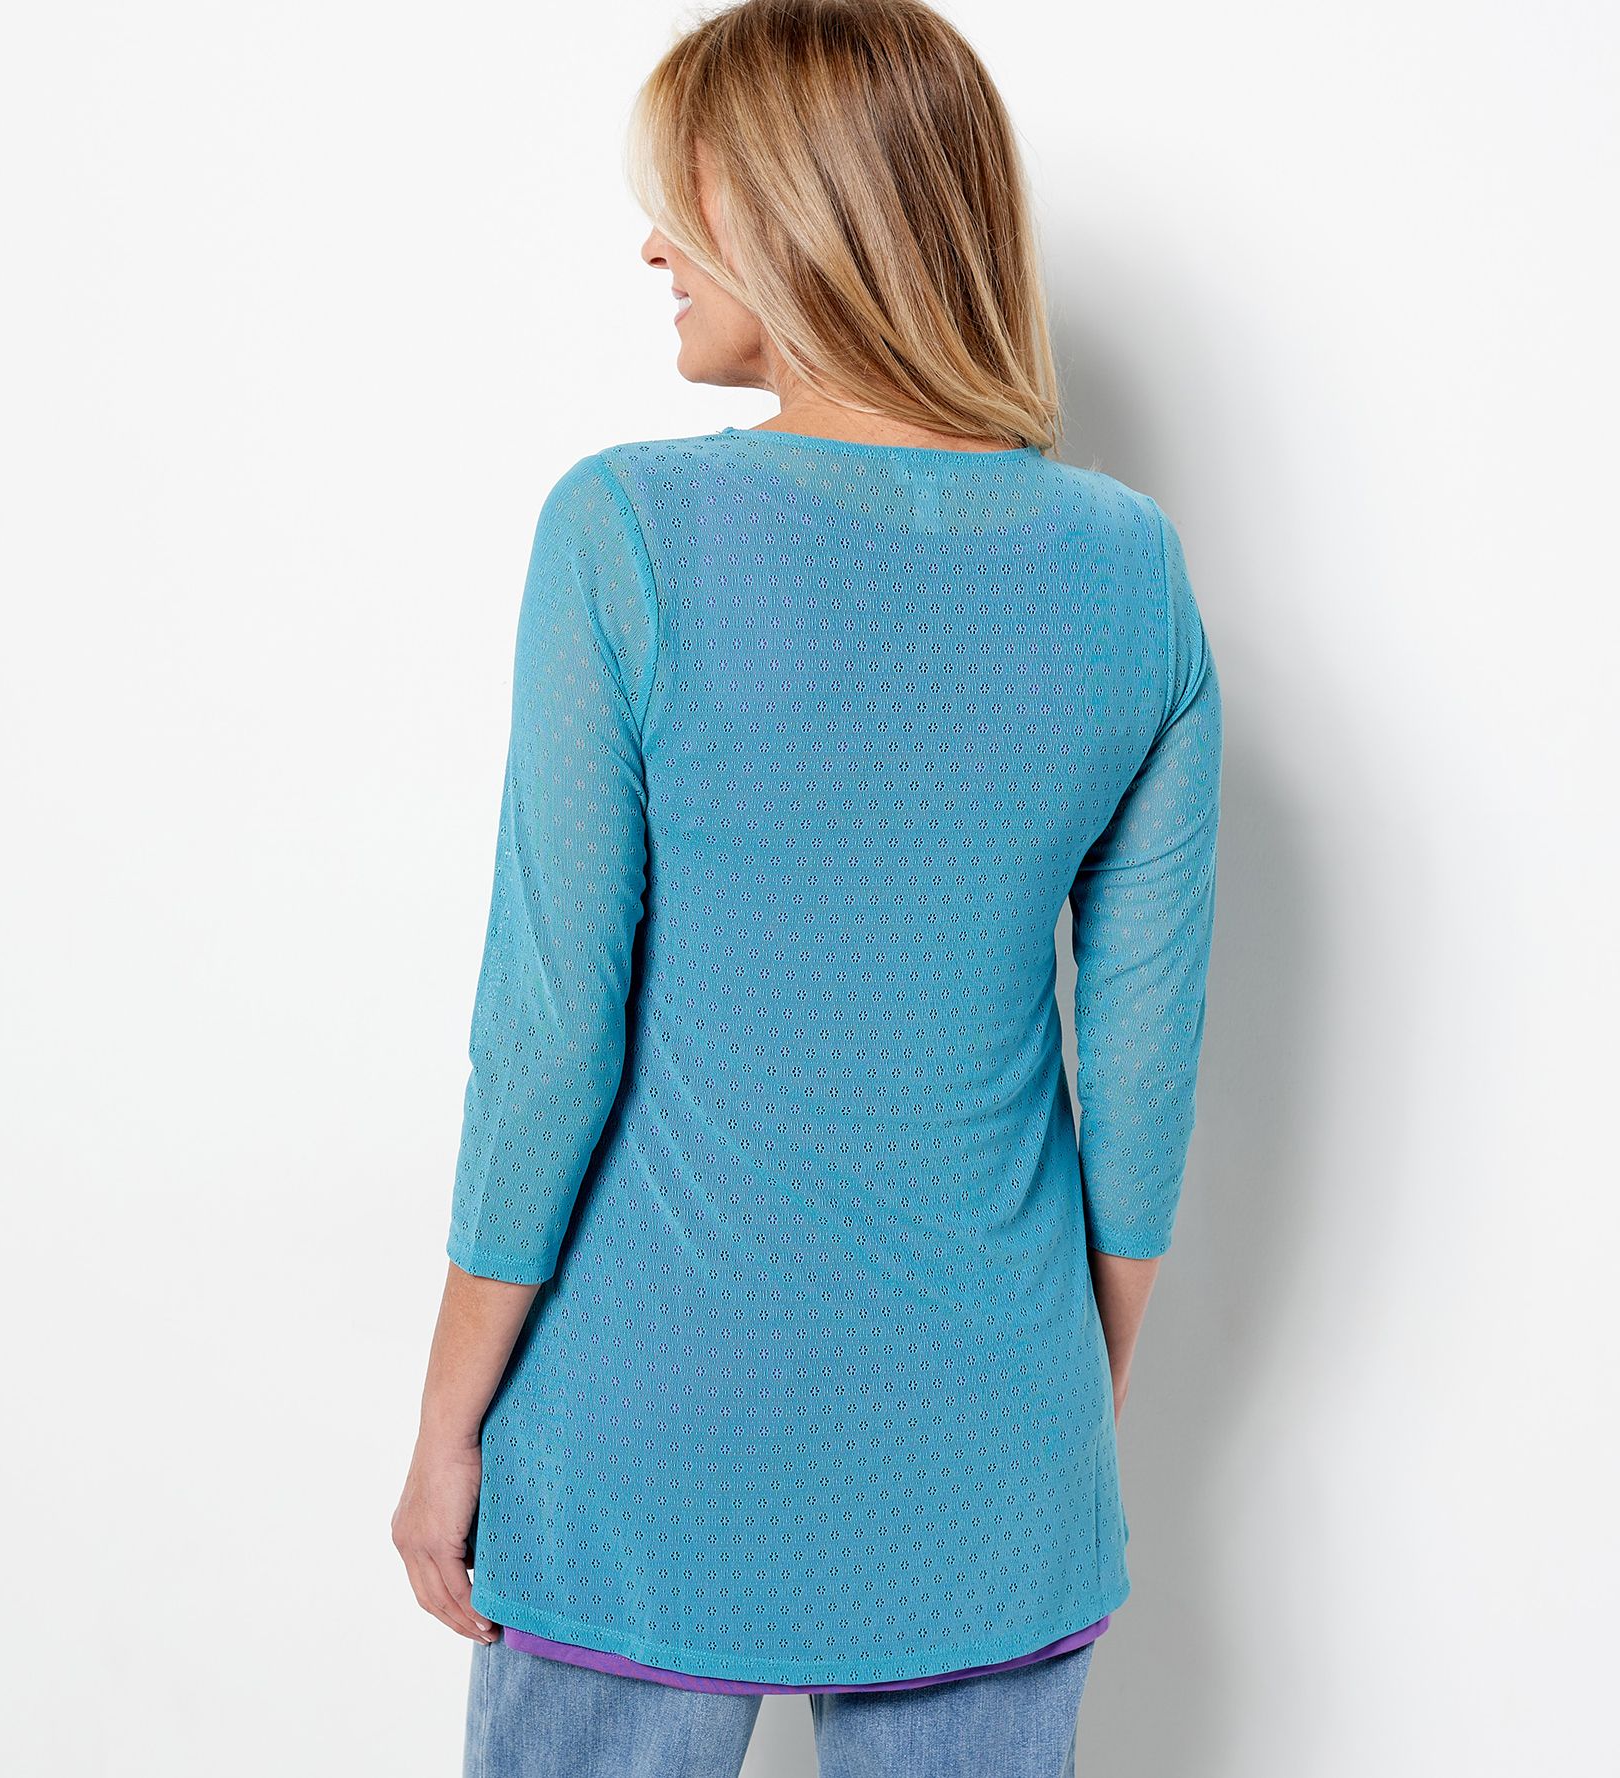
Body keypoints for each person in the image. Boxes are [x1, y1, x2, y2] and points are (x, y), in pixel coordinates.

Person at [391, 2, 1224, 1772]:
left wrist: (448, 1419)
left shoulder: (626, 532)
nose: (652, 248)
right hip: (993, 1439)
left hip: (644, 1427)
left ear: (796, 210)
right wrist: (1057, 1406)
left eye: (679, 199)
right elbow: (1145, 1074)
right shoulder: (1133, 575)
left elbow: (547, 1030)